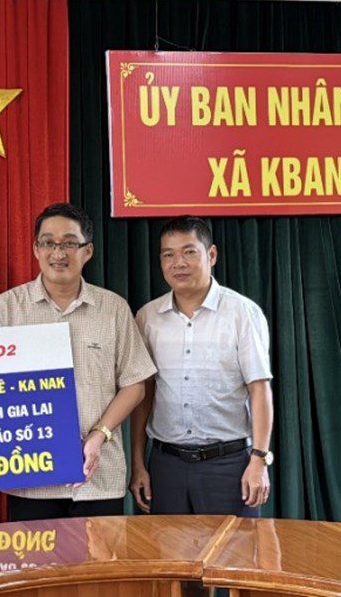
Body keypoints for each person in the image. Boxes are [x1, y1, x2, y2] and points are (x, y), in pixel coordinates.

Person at [0, 202, 155, 520]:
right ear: (35, 249)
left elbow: (135, 384)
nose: (58, 253)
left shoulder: (113, 309)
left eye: (69, 243)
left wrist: (99, 435)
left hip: (100, 477)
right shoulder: (7, 309)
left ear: (87, 251)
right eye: (48, 243)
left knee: (101, 555)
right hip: (31, 479)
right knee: (35, 556)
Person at [130, 216, 274, 518]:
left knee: (234, 548)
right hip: (166, 466)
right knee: (166, 549)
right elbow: (144, 395)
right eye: (168, 255)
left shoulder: (242, 313)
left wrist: (259, 460)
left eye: (189, 252)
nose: (178, 263)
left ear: (212, 255)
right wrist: (139, 464)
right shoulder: (148, 317)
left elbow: (259, 389)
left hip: (228, 466)